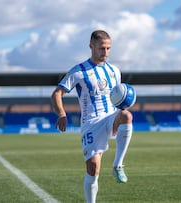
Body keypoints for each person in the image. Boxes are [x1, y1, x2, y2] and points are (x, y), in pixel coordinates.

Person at [51, 30, 133, 203]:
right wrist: (62, 113)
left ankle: (118, 165)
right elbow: (57, 93)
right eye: (102, 48)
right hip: (91, 123)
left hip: (111, 116)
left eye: (109, 48)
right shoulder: (78, 71)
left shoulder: (115, 71)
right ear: (91, 46)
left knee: (126, 115)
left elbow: (117, 96)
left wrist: (125, 101)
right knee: (93, 168)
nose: (106, 53)